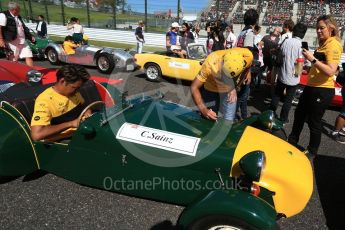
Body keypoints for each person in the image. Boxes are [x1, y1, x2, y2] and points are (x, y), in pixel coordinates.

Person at [288, 15, 343, 156]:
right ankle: (292, 141)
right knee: (299, 114)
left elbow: (331, 71)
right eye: (317, 28)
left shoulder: (333, 44)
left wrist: (312, 59)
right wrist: (308, 68)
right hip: (312, 86)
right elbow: (321, 65)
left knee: (314, 122)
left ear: (331, 28)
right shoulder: (323, 43)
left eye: (322, 28)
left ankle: (312, 151)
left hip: (323, 90)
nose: (318, 31)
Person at [31, 65, 91, 142]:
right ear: (63, 81)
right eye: (75, 87)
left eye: (79, 88)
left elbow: (84, 105)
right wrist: (71, 124)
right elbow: (37, 135)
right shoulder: (44, 101)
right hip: (62, 140)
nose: (77, 91)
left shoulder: (74, 92)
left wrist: (87, 111)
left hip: (80, 132)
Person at [191, 47, 253, 121]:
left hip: (230, 90)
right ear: (222, 62)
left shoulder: (247, 55)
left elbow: (247, 66)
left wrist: (237, 85)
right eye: (225, 75)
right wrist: (204, 110)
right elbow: (194, 87)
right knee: (209, 118)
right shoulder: (210, 63)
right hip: (211, 90)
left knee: (228, 122)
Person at [270, 23, 308, 124]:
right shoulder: (303, 45)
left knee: (277, 95)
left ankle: (271, 113)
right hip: (294, 77)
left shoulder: (286, 41)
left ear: (294, 31)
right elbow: (304, 61)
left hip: (282, 74)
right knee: (288, 99)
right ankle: (283, 118)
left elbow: (280, 54)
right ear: (303, 34)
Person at [236, 8, 259, 120]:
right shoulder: (249, 33)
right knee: (242, 95)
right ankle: (229, 117)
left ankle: (244, 117)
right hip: (244, 68)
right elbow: (248, 54)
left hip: (238, 65)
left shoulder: (242, 32)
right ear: (255, 21)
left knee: (243, 95)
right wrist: (248, 72)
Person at [0, 2, 35, 66]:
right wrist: (1, 39)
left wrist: (30, 36)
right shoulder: (3, 15)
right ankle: (13, 74)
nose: (20, 11)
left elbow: (24, 27)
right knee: (13, 59)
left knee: (28, 56)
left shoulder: (18, 16)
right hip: (11, 41)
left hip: (22, 41)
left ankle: (32, 73)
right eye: (19, 9)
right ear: (14, 9)